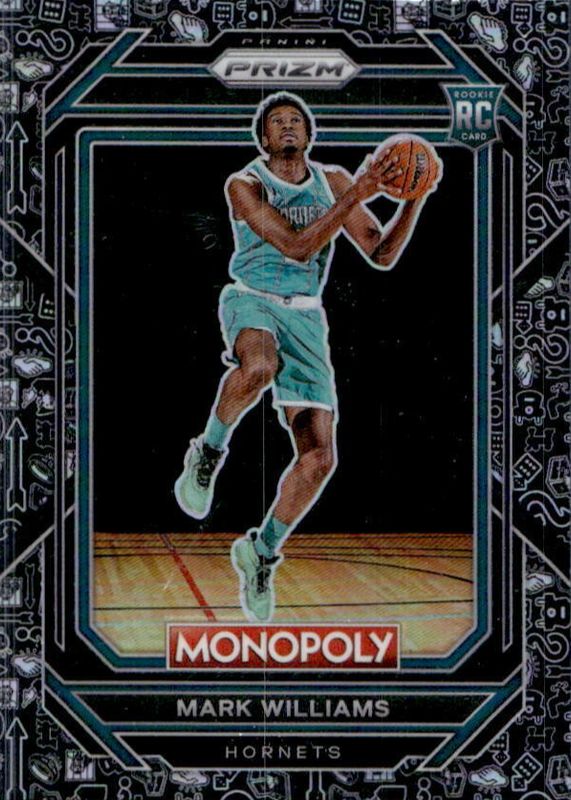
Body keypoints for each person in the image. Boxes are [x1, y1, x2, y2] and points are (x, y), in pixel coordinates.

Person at [175, 92, 439, 622]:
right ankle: (207, 452)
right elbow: (295, 246)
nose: (289, 126)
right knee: (259, 367)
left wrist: (415, 196)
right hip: (252, 298)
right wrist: (358, 192)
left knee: (320, 459)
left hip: (306, 315)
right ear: (264, 138)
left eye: (297, 119)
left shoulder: (334, 180)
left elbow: (381, 253)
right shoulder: (245, 184)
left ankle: (261, 551)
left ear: (310, 135)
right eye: (278, 121)